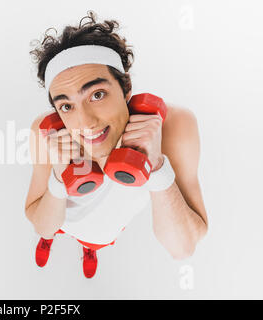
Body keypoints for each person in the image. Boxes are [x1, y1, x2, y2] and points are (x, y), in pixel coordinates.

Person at [25, 11, 208, 279]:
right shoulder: (49, 133)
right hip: (60, 220)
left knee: (95, 240)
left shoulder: (174, 125)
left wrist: (157, 169)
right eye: (66, 105)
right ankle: (51, 245)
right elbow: (42, 225)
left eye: (97, 94)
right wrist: (58, 177)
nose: (85, 122)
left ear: (126, 88)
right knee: (50, 232)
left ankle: (90, 249)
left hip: (107, 230)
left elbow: (182, 249)